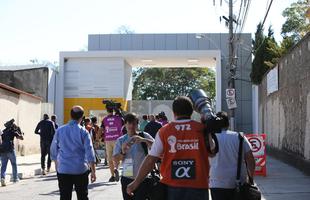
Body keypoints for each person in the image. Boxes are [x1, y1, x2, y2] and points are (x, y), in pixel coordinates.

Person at [127, 96, 215, 200]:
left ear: (174, 113)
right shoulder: (202, 129)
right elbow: (212, 152)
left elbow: (151, 160)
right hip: (198, 186)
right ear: (191, 112)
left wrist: (135, 183)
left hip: (172, 187)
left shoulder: (164, 131)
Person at [50, 105, 96, 200]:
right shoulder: (83, 132)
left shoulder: (60, 130)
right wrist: (93, 171)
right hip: (80, 170)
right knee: (82, 196)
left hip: (63, 169)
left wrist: (57, 164)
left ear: (70, 115)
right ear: (81, 117)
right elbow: (89, 152)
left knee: (64, 196)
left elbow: (53, 149)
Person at [209, 112, 255, 200]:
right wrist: (251, 177)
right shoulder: (239, 137)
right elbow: (250, 159)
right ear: (228, 123)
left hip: (216, 182)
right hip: (238, 182)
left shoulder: (211, 139)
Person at [113, 113, 154, 200]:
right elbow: (115, 159)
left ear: (137, 124)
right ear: (125, 124)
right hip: (127, 177)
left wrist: (144, 140)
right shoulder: (121, 140)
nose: (131, 126)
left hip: (142, 178)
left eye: (134, 123)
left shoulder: (144, 135)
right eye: (129, 123)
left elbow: (157, 147)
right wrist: (123, 152)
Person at [101, 108, 123, 182]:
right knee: (117, 157)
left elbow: (101, 129)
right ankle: (116, 168)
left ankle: (112, 176)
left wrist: (98, 139)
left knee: (110, 159)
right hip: (118, 139)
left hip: (108, 140)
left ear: (107, 111)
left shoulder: (104, 120)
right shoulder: (119, 119)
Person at [1, 120, 24, 187]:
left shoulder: (3, 131)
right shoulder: (13, 131)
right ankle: (15, 178)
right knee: (14, 164)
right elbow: (21, 138)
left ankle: (2, 178)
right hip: (10, 149)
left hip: (3, 150)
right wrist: (21, 133)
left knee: (3, 165)